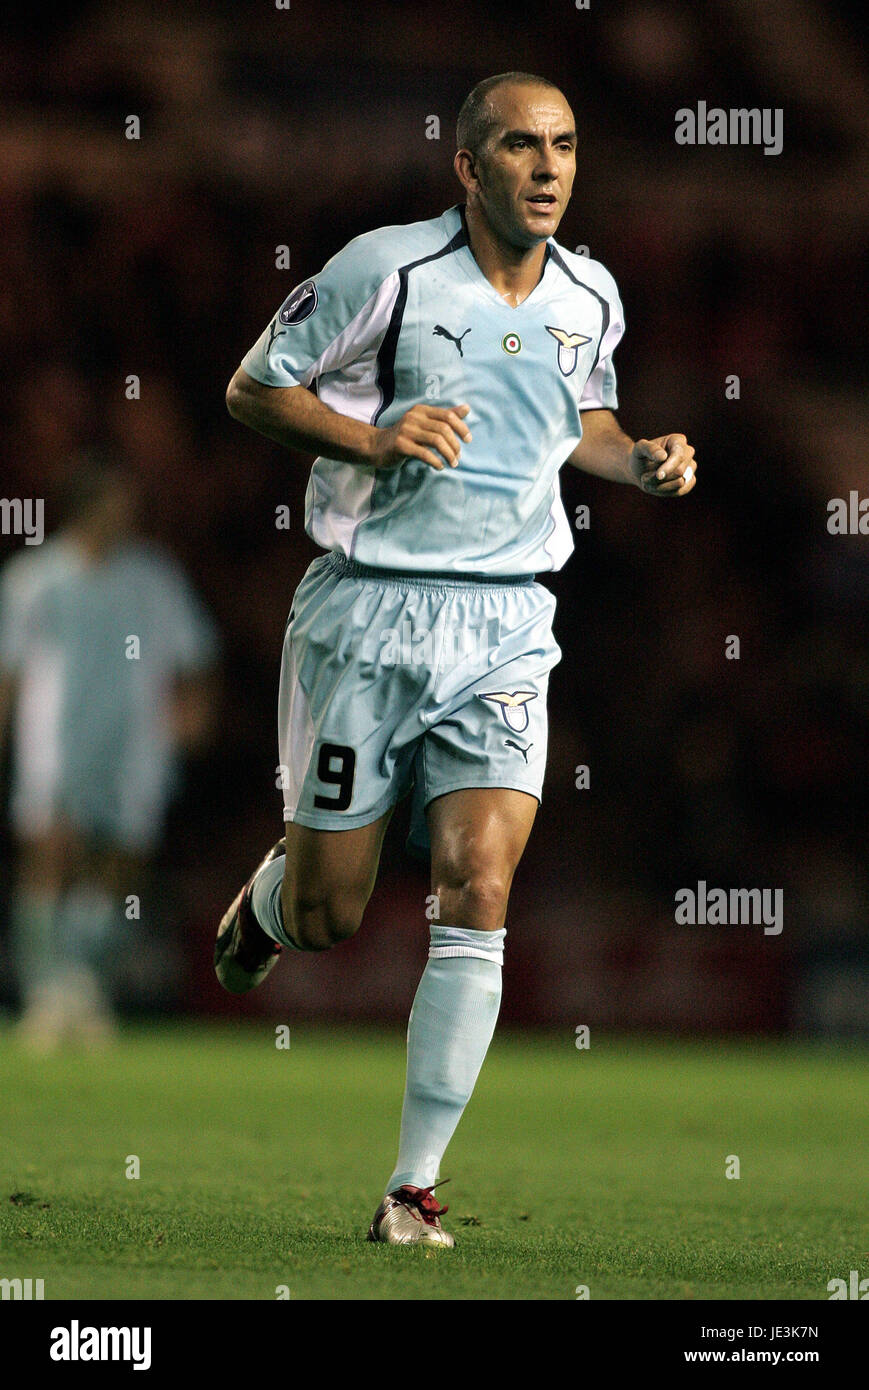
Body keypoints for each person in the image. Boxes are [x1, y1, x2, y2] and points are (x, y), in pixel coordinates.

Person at [217, 72, 697, 1246]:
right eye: (519, 147)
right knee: (332, 915)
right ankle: (271, 903)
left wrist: (636, 462)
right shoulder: (382, 270)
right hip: (366, 616)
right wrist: (373, 439)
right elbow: (252, 389)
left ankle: (410, 1188)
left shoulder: (590, 293)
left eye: (565, 147)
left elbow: (576, 418)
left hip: (504, 626)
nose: (546, 168)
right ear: (467, 168)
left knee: (476, 884)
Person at [0, 456, 218, 1048]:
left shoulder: (153, 578)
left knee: (118, 863)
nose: (126, 514)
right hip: (54, 740)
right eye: (115, 502)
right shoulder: (34, 579)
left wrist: (192, 714)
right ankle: (45, 994)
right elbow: (11, 670)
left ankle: (84, 988)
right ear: (86, 507)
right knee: (49, 853)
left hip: (135, 744)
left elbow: (194, 656)